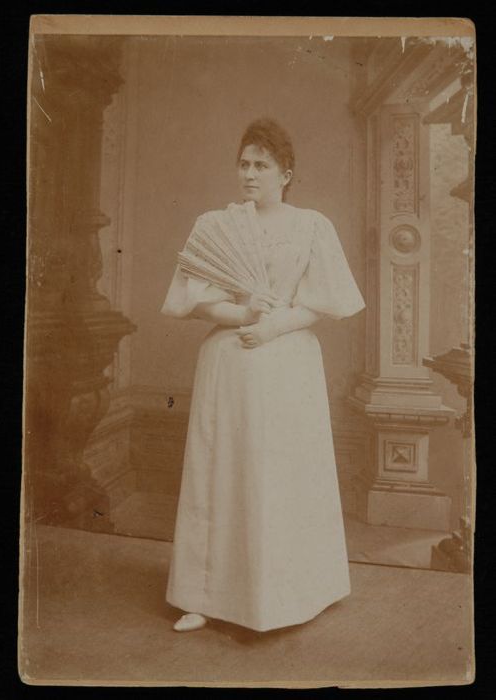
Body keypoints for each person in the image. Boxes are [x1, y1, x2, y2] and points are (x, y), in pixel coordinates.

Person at [161, 118, 365, 633]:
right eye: (244, 164)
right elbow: (198, 302)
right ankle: (202, 595)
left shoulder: (311, 226)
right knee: (219, 472)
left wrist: (273, 326)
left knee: (282, 474)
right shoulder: (216, 225)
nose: (249, 174)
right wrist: (245, 314)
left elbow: (323, 302)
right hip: (229, 360)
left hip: (287, 361)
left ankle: (292, 595)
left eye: (262, 165)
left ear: (286, 174)